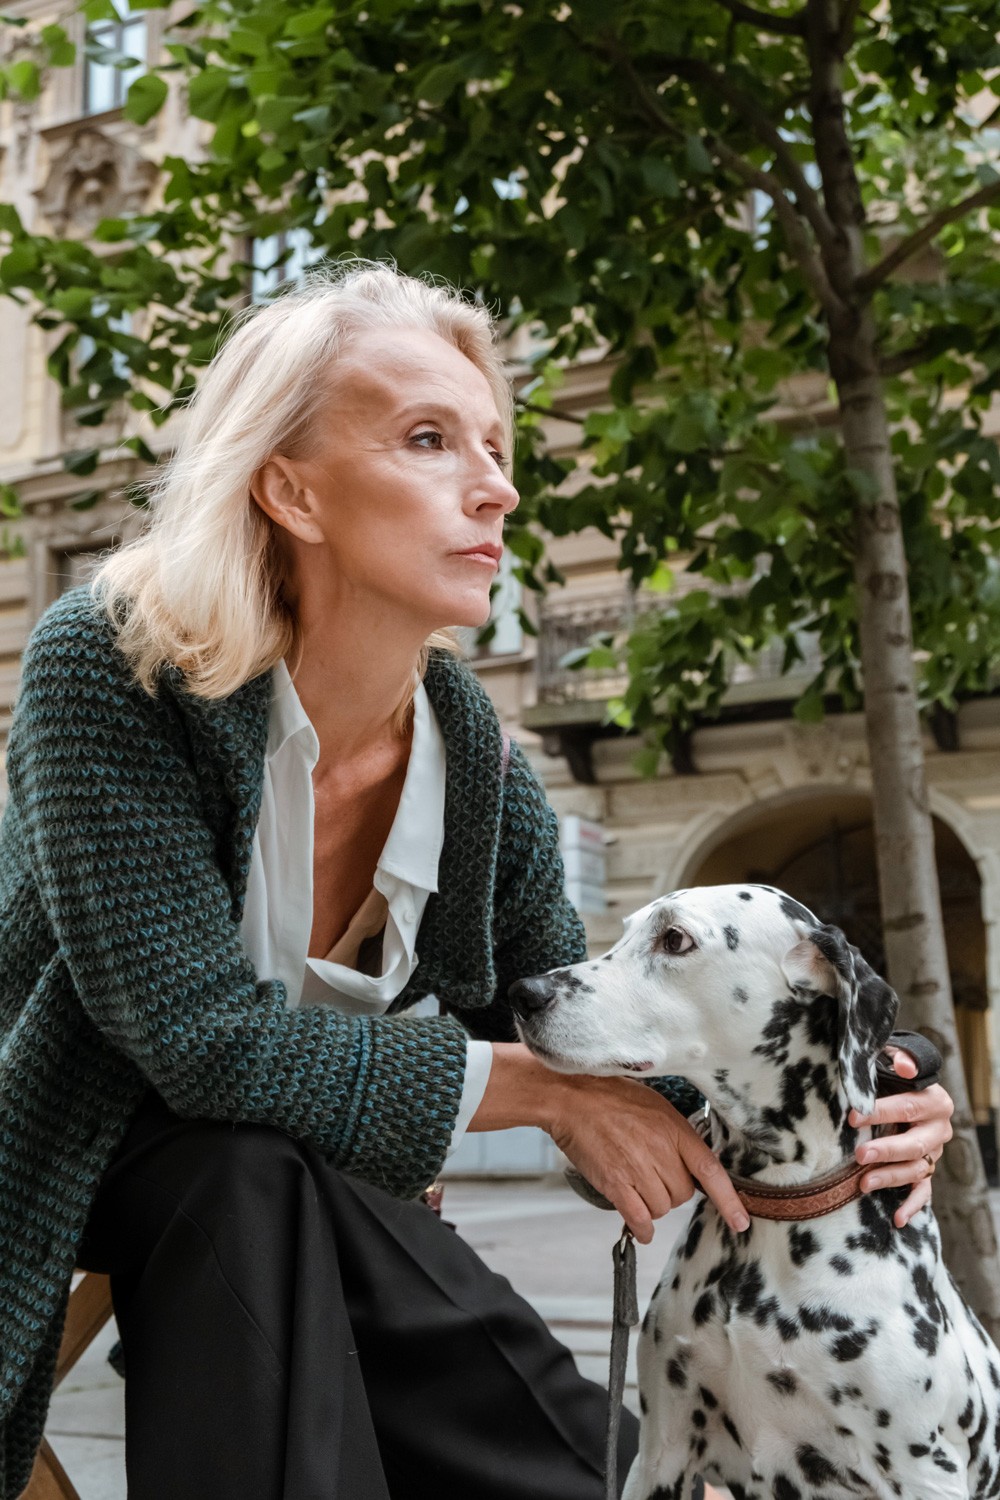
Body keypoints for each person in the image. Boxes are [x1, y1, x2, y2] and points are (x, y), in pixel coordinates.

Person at [0, 262, 953, 1500]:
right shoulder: (114, 662)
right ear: (289, 486)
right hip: (54, 1160)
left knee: (258, 1183)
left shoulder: (472, 756)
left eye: (495, 445)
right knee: (241, 1161)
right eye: (428, 439)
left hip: (283, 1216)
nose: (496, 486)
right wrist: (542, 1093)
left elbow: (581, 1021)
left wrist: (876, 1083)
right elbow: (195, 1044)